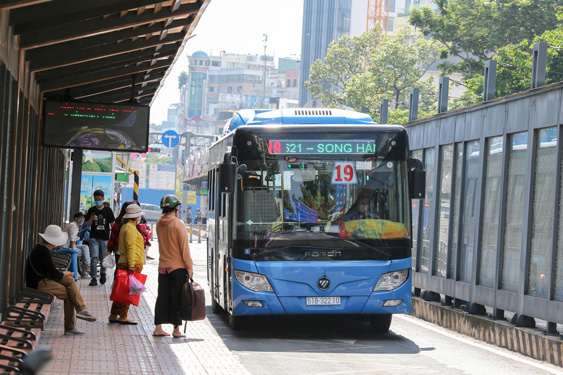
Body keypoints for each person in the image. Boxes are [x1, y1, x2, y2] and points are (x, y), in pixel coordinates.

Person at [26, 225, 97, 335]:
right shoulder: (43, 251)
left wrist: (64, 274)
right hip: (39, 283)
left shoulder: (42, 249)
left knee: (70, 281)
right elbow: (54, 274)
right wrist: (64, 274)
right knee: (70, 295)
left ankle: (81, 310)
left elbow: (50, 270)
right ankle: (71, 326)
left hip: (44, 278)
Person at [153, 195, 193, 338]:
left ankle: (158, 327)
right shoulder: (178, 224)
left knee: (162, 297)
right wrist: (189, 267)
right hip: (178, 268)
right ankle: (176, 330)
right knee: (177, 298)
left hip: (163, 267)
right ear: (176, 208)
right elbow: (184, 248)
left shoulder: (159, 224)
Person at [108, 204, 146, 325]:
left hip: (125, 261)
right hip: (131, 262)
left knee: (121, 290)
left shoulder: (126, 226)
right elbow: (131, 247)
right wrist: (131, 265)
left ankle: (114, 314)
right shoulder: (130, 228)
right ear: (136, 217)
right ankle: (123, 316)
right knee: (128, 292)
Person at [85, 190, 115, 286]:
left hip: (105, 238)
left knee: (103, 258)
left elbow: (112, 224)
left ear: (103, 199)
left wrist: (113, 237)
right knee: (94, 258)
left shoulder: (108, 210)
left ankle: (103, 273)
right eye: (96, 199)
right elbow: (88, 225)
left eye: (99, 199)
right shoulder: (91, 210)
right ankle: (93, 278)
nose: (97, 201)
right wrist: (91, 219)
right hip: (94, 237)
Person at [62, 212, 90, 277]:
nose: (82, 220)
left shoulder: (76, 226)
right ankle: (85, 269)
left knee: (85, 247)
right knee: (83, 253)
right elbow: (72, 239)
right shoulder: (73, 225)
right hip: (67, 247)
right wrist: (72, 250)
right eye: (80, 218)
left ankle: (87, 265)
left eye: (83, 219)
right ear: (76, 218)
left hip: (72, 245)